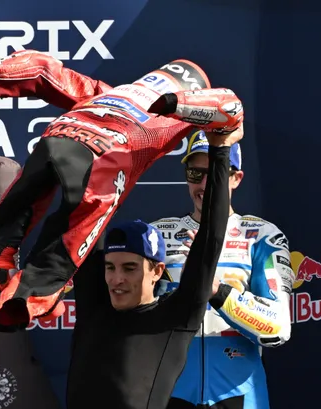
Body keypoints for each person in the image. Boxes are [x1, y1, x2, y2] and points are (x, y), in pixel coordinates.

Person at [0, 50, 244, 332]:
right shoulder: (177, 117)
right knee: (68, 240)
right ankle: (26, 299)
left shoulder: (106, 93)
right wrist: (184, 108)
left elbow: (44, 71)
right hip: (103, 157)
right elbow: (228, 106)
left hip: (54, 141)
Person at [66, 127, 241, 409]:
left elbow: (212, 234)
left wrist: (220, 150)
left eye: (130, 268)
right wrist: (93, 137)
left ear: (157, 272)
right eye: (110, 267)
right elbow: (88, 214)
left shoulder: (174, 317)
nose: (117, 279)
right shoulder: (94, 307)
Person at [151, 129, 293, 409]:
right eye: (195, 174)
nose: (205, 184)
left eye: (216, 172)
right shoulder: (157, 236)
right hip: (170, 394)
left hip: (240, 396)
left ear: (236, 178)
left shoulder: (262, 236)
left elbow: (277, 329)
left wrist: (216, 290)